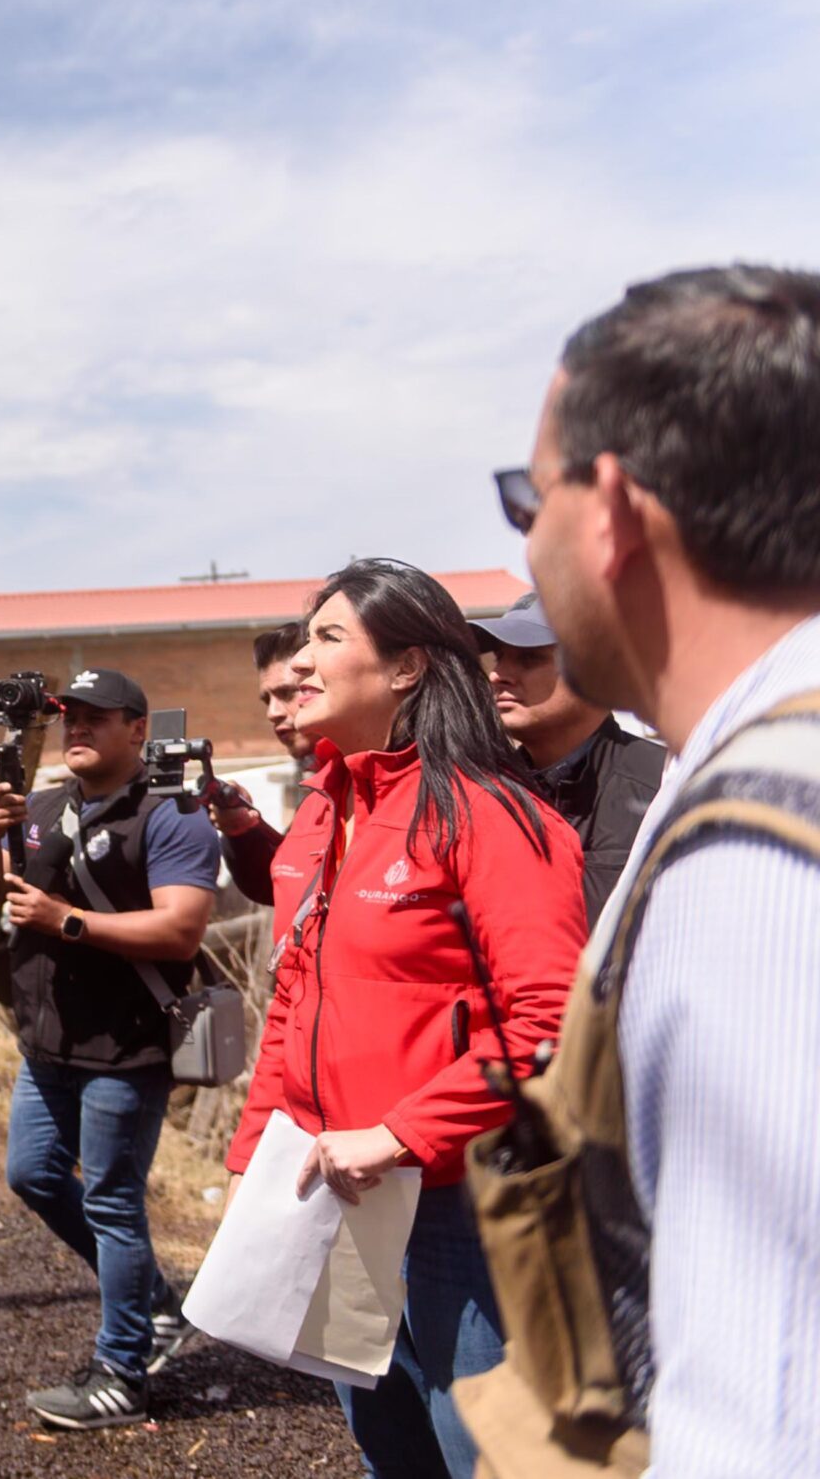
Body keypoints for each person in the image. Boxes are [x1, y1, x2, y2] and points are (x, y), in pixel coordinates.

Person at [465, 265, 820, 1476]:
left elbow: (762, 1412)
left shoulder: (758, 853)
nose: (525, 533)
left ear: (608, 508)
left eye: (527, 496)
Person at [225, 559, 587, 1478]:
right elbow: (291, 1006)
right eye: (305, 639)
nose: (300, 663)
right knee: (391, 1452)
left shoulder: (492, 814)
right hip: (338, 1194)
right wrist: (249, 1161)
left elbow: (549, 1022)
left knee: (494, 1461)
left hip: (465, 1208)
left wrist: (399, 1134)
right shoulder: (317, 819)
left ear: (408, 668)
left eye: (328, 638)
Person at [0, 666, 221, 1429]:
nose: (76, 729)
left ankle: (121, 1371)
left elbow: (181, 928)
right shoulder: (40, 807)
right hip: (46, 1046)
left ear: (137, 729)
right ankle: (155, 1305)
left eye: (96, 718)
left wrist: (66, 920)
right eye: (70, 717)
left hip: (126, 1049)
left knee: (110, 1199)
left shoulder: (171, 816)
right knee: (33, 1174)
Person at [472, 591, 666, 925]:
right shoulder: (478, 795)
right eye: (499, 656)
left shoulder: (666, 783)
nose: (497, 674)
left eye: (529, 658)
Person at [208, 620, 314, 907]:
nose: (272, 713)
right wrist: (243, 831)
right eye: (266, 699)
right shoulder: (320, 787)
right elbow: (284, 887)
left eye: (287, 693)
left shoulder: (374, 781)